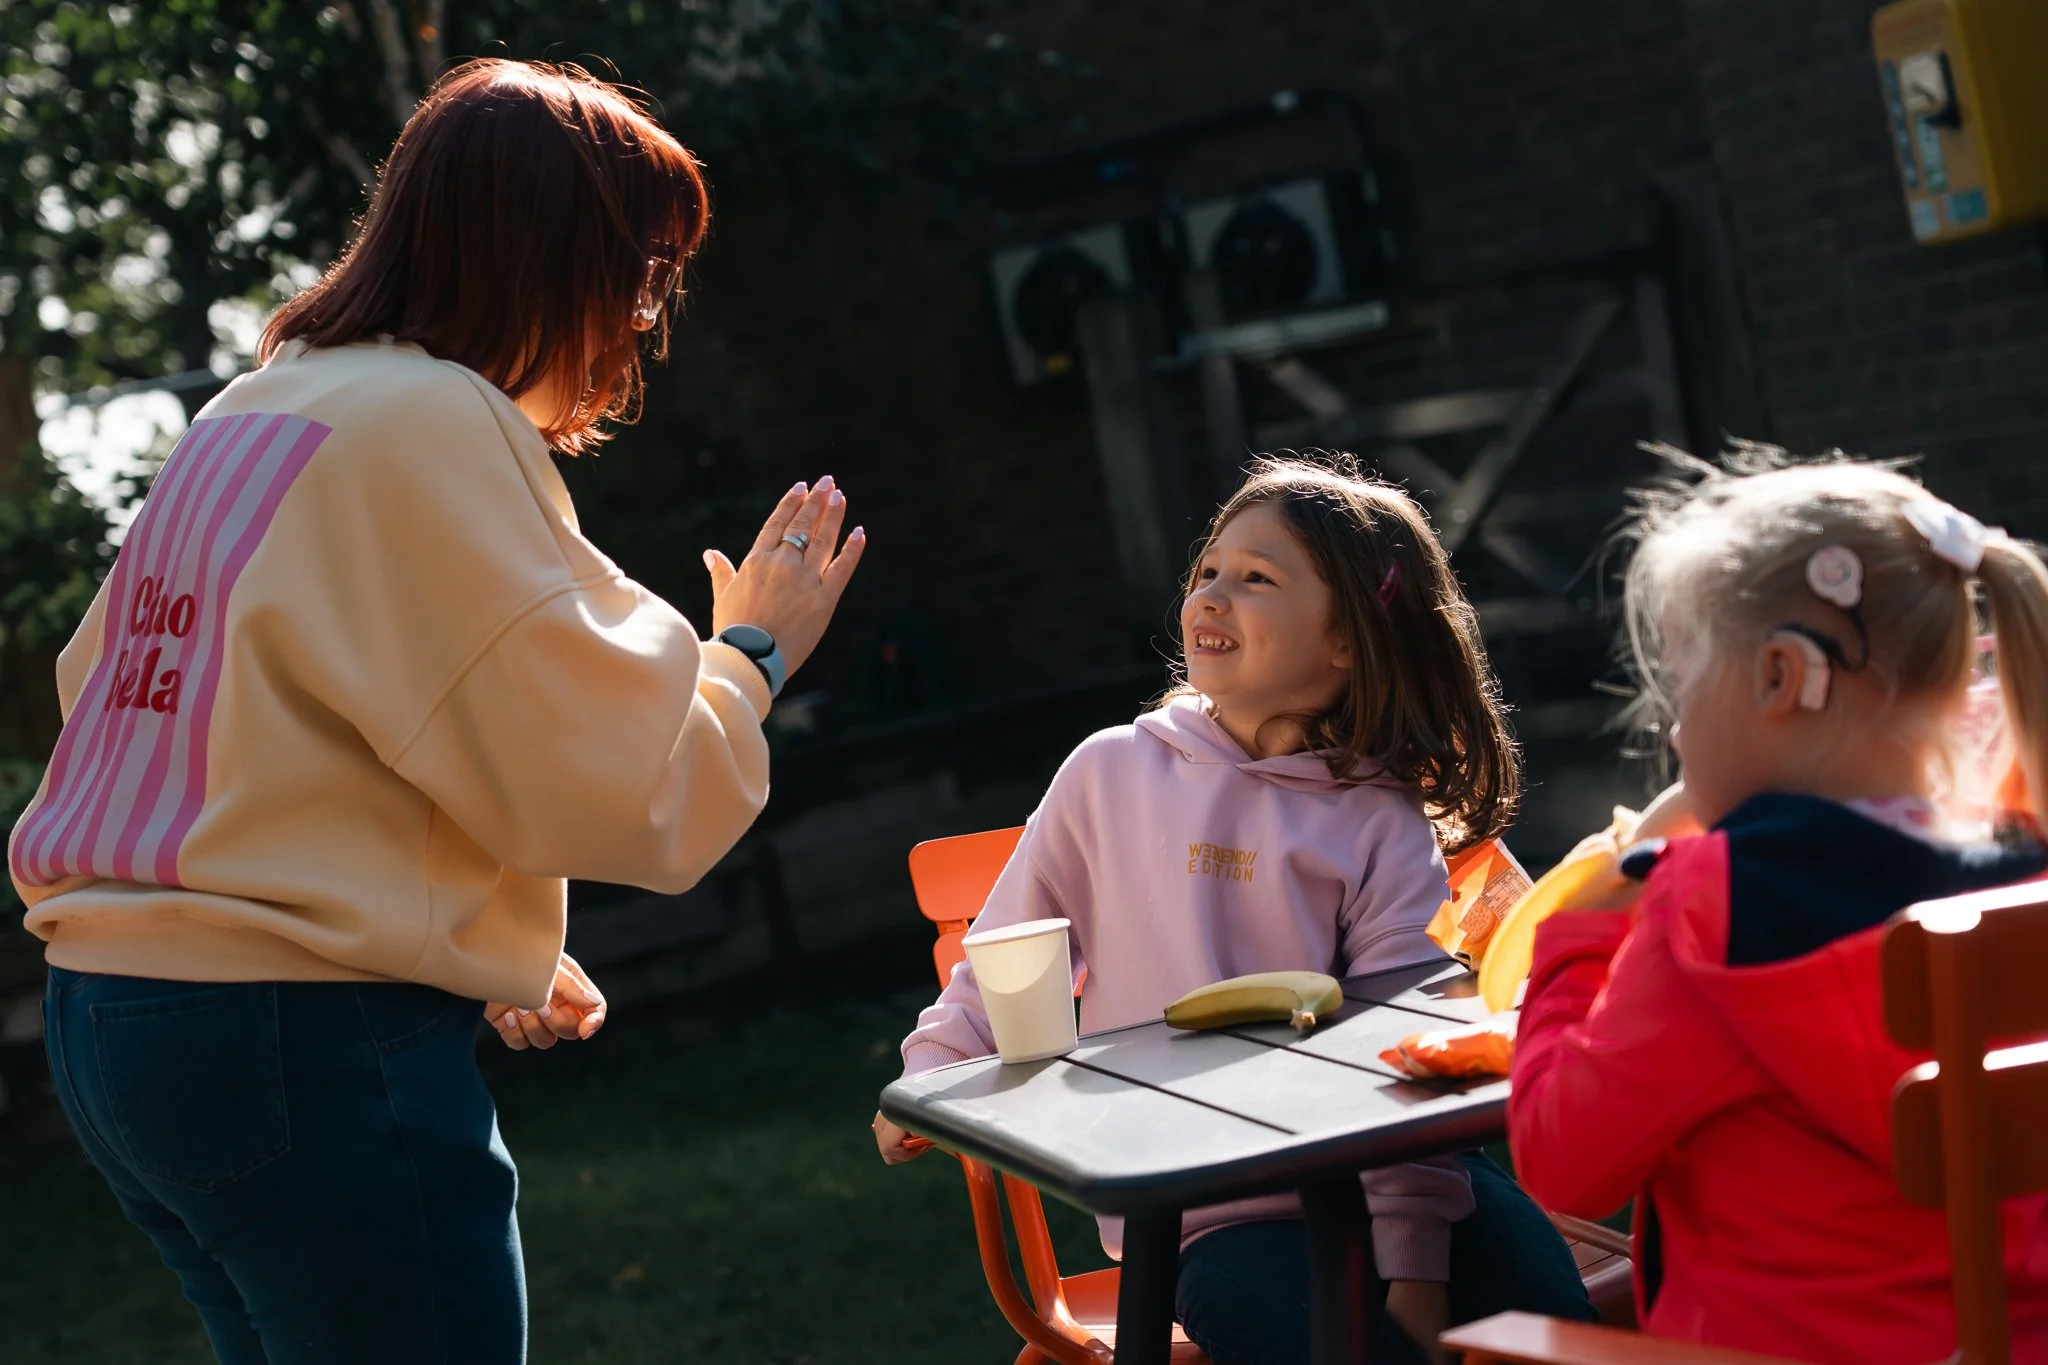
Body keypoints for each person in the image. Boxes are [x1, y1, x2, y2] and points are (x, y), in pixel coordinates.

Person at [9, 60, 864, 1364]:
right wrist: (750, 653)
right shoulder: (428, 421)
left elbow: (153, 709)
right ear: (552, 258)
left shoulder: (260, 409)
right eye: (640, 273)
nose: (644, 319)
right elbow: (603, 770)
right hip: (290, 1038)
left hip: (116, 1021)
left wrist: (458, 922)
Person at [873, 455, 1595, 1365]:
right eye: (1208, 571)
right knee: (1311, 1337)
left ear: (1348, 641)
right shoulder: (1109, 773)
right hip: (1199, 1215)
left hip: (1400, 1185)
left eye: (1256, 579)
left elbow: (1408, 1050)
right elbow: (1008, 948)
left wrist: (1416, 1269)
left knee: (1550, 1310)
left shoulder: (1376, 815)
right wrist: (933, 1069)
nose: (1212, 595)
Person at [1509, 450, 2048, 1362]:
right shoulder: (2022, 870)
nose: (1675, 728)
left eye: (1682, 683)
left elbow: (1561, 1158)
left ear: (1779, 677)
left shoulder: (1715, 907)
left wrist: (1589, 923)